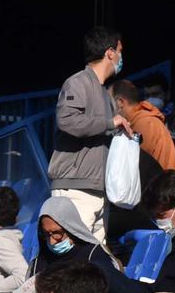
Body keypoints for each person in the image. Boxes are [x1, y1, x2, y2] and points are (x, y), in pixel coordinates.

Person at [48, 25, 129, 243]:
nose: (121, 57)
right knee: (74, 262)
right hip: (75, 189)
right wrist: (109, 123)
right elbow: (67, 121)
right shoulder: (77, 83)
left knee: (93, 264)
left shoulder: (105, 93)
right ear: (110, 53)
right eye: (120, 51)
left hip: (98, 189)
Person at [112, 78, 175, 172]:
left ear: (120, 102)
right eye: (147, 95)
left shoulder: (144, 123)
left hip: (161, 184)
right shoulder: (138, 121)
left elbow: (138, 167)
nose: (150, 99)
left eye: (155, 94)